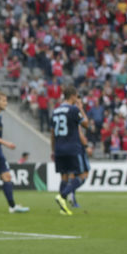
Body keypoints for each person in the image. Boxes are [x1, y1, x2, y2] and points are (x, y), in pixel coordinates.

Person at [50, 87, 90, 216]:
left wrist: (53, 150)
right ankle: (62, 196)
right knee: (82, 176)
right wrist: (81, 108)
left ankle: (63, 208)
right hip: (72, 148)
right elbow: (86, 124)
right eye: (76, 96)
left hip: (59, 149)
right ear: (72, 96)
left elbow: (52, 133)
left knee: (64, 177)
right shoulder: (73, 109)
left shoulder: (55, 111)